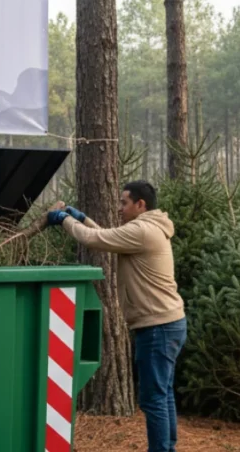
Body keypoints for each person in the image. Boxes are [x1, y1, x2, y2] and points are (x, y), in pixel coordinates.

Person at [47, 180, 186, 452]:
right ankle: (167, 448)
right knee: (163, 393)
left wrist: (62, 219)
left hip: (157, 326)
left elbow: (94, 240)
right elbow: (108, 236)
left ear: (140, 204)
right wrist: (81, 218)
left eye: (124, 203)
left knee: (153, 400)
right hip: (170, 322)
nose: (119, 208)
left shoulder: (142, 230)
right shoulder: (149, 227)